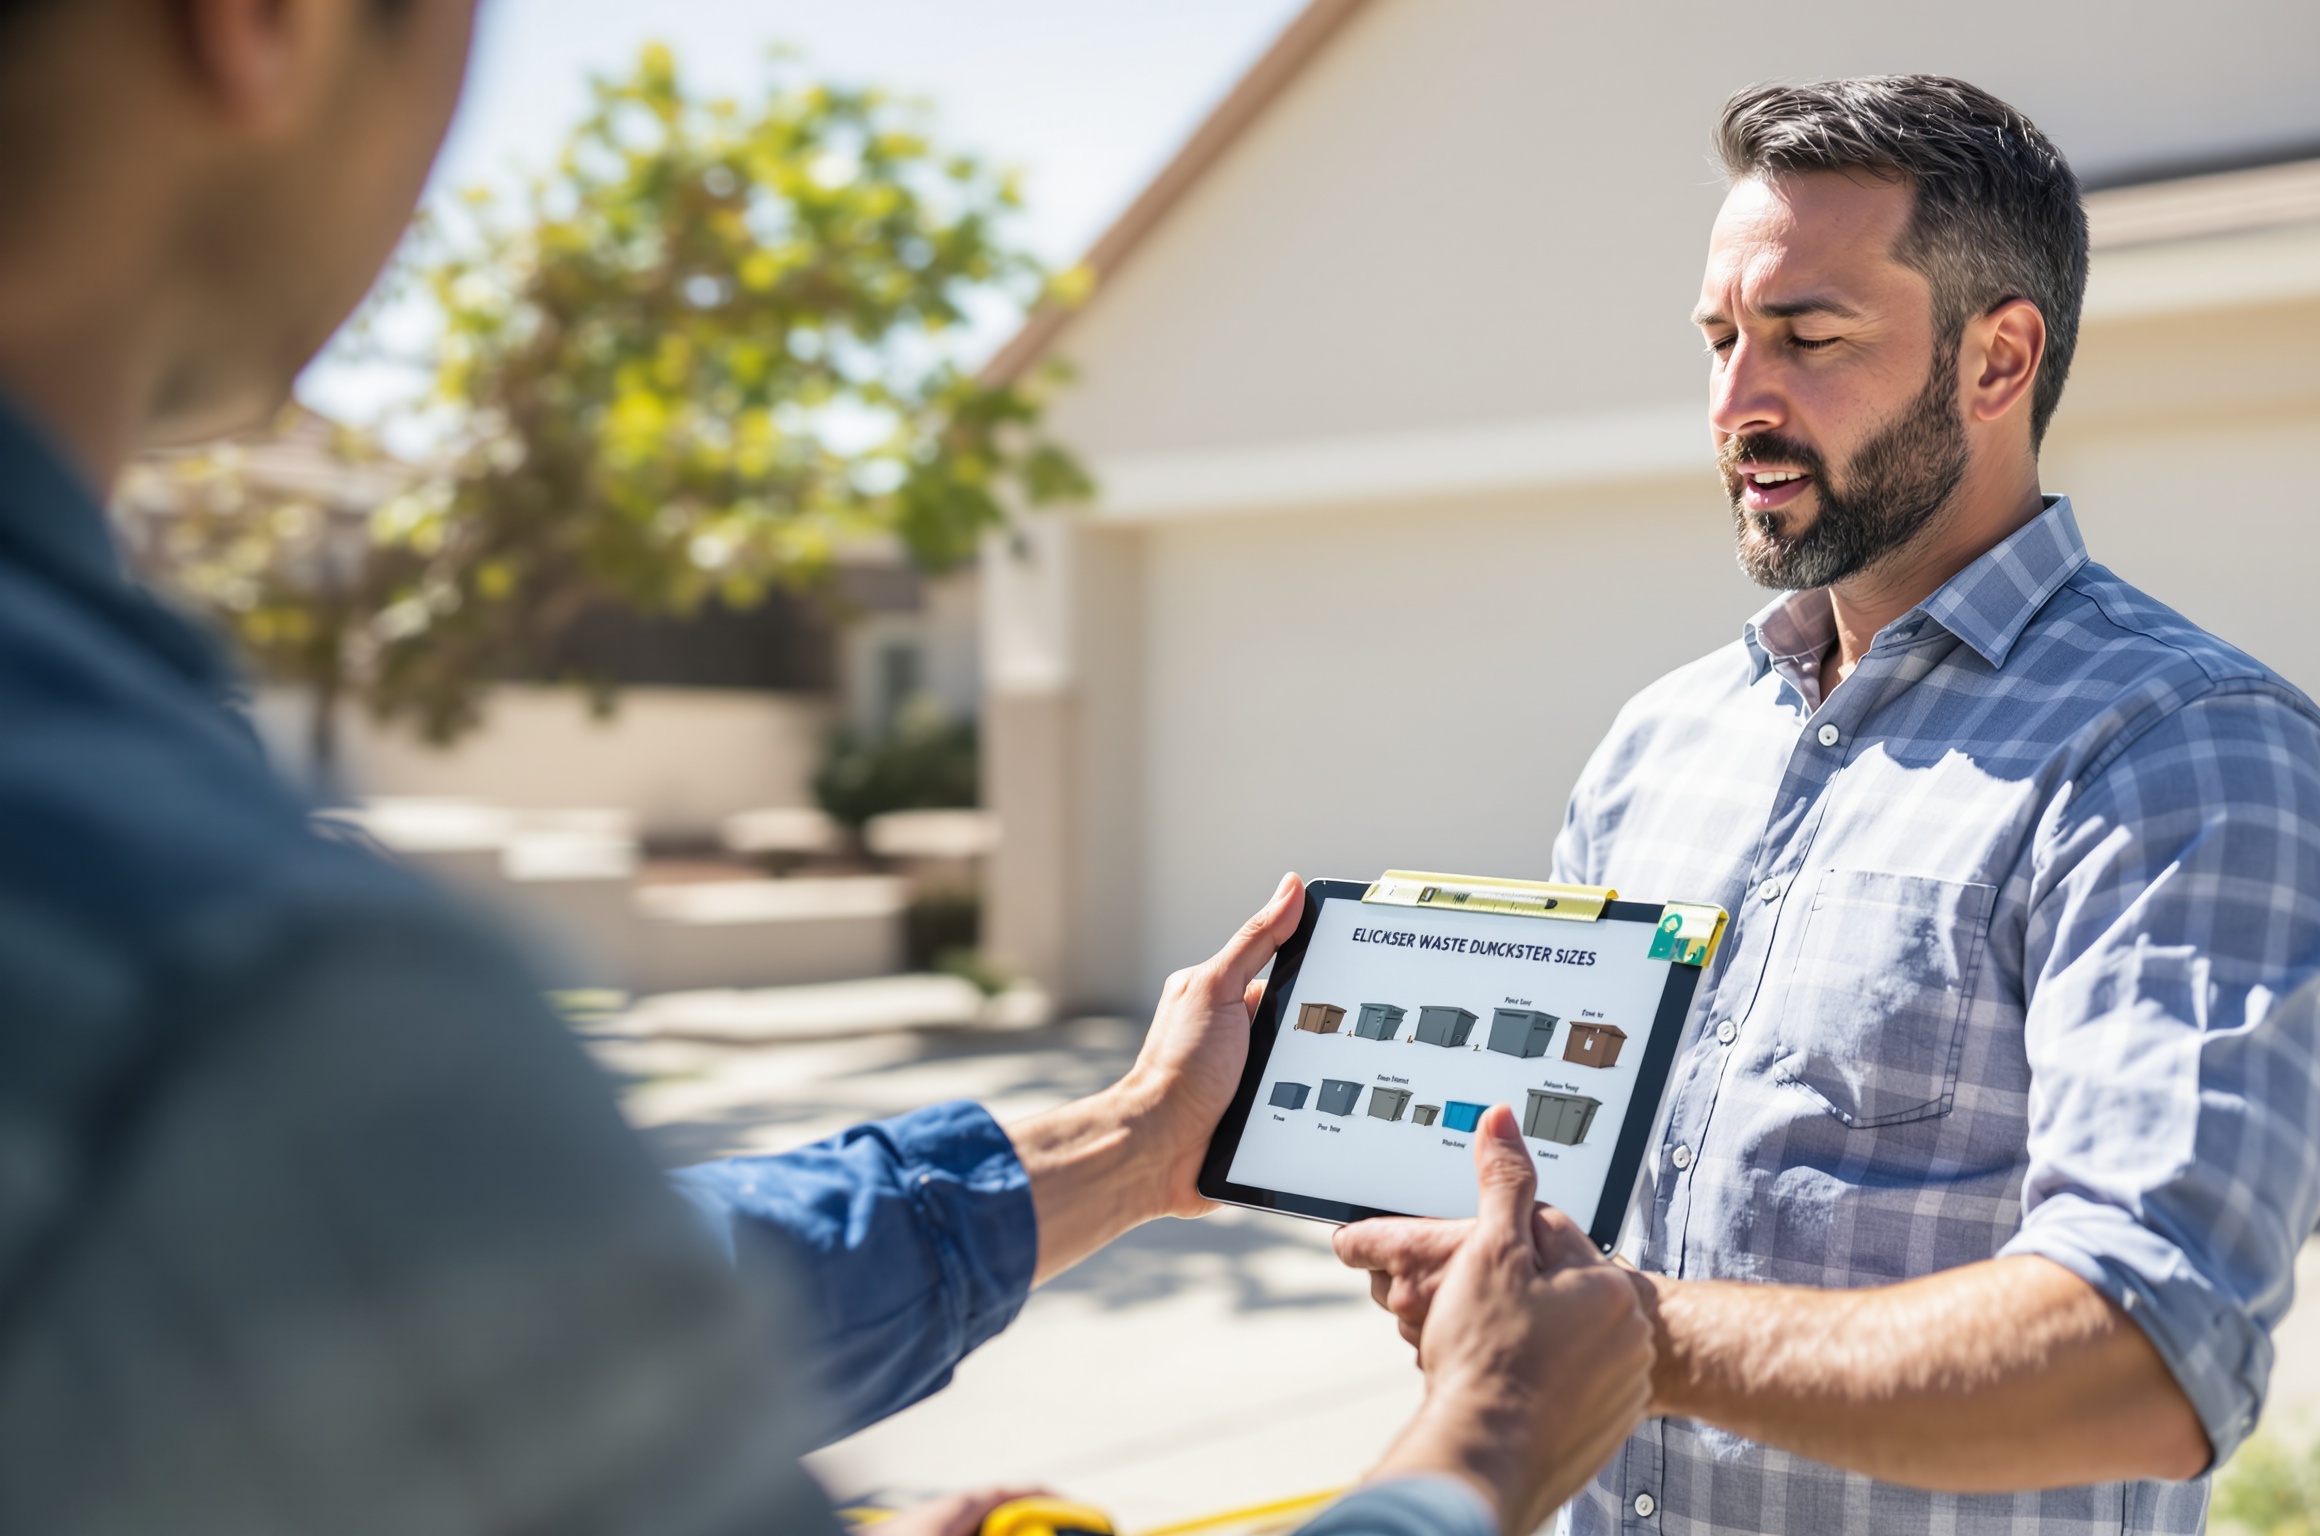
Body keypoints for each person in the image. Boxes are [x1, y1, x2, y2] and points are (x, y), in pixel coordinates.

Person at [0, 2, 1650, 1533]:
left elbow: (565, 1305)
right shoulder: (235, 988)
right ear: (263, 23)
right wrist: (1485, 1443)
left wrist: (1140, 1141)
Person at [1337, 76, 2320, 1536]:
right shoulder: (1660, 743)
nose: (1736, 406)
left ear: (1998, 360)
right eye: (1721, 340)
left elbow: (2152, 1351)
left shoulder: (2183, 751)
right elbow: (1567, 1199)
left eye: (1808, 338)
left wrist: (1629, 1335)